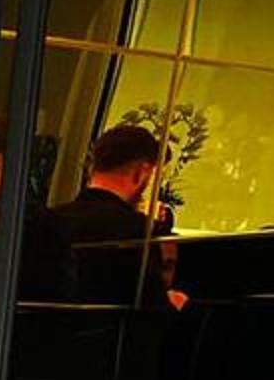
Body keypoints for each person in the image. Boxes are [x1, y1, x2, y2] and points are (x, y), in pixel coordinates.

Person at [18, 123, 171, 308]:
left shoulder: (46, 220)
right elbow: (151, 307)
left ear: (93, 167)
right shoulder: (137, 230)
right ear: (141, 173)